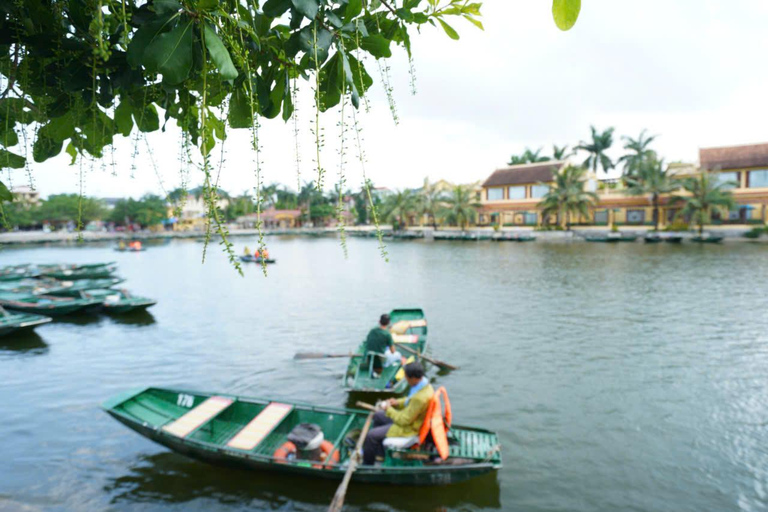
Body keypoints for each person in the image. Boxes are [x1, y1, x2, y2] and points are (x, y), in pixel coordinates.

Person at [362, 362, 434, 465]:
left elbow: (404, 420)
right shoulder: (425, 385)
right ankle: (380, 453)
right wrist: (397, 402)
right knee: (378, 415)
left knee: (371, 436)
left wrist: (388, 409)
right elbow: (410, 400)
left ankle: (367, 464)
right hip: (411, 419)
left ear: (413, 378)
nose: (405, 379)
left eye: (406, 377)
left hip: (409, 429)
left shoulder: (420, 398)